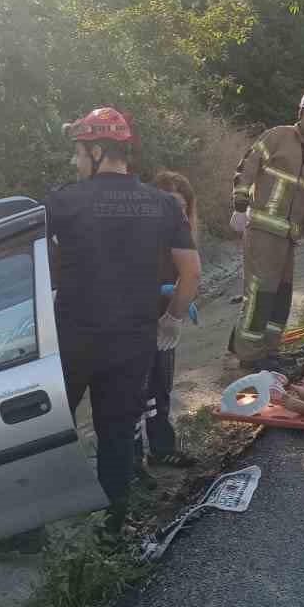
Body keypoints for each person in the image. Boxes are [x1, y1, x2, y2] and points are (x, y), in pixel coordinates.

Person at [45, 107, 200, 540]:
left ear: (95, 150)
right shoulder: (164, 204)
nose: (75, 163)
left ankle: (27, 530)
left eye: (78, 153)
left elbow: (33, 264)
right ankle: (112, 527)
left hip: (74, 339)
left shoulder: (62, 201)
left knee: (53, 429)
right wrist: (170, 321)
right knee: (115, 434)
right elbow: (191, 272)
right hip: (133, 343)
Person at [229, 89, 304, 373]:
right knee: (260, 294)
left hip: (289, 236)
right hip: (262, 230)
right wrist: (239, 205)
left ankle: (267, 350)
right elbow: (247, 168)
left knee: (281, 297)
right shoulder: (277, 137)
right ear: (300, 114)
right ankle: (249, 356)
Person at [137, 170, 201, 469]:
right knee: (138, 393)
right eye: (172, 204)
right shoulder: (139, 233)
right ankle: (133, 462)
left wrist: (181, 301)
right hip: (138, 319)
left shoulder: (182, 237)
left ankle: (162, 449)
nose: (178, 213)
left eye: (183, 207)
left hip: (165, 320)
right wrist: (158, 290)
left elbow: (188, 274)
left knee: (161, 387)